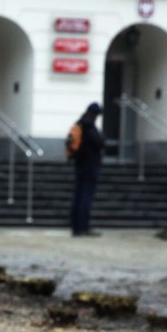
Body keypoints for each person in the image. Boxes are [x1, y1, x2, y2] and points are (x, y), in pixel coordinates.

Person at [68, 101, 104, 237]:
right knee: (85, 197)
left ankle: (76, 227)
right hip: (89, 166)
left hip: (80, 164)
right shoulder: (89, 126)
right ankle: (83, 227)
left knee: (78, 195)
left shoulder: (79, 124)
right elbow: (100, 142)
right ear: (94, 114)